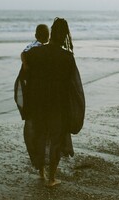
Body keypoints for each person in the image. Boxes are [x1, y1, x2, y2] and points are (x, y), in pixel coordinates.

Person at [23, 17, 84, 187]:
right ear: (65, 35)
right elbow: (74, 86)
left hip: (38, 102)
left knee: (40, 135)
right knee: (56, 138)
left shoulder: (34, 53)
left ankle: (41, 173)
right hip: (59, 103)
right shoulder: (67, 57)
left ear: (51, 32)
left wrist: (26, 102)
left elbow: (24, 76)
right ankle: (52, 178)